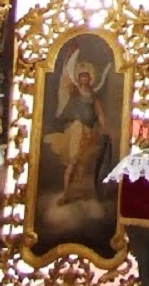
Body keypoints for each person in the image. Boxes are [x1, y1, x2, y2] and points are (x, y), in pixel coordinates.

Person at [46, 48, 112, 206]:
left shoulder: (93, 97)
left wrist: (104, 129)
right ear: (78, 78)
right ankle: (66, 194)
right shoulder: (73, 92)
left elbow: (100, 114)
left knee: (84, 165)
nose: (84, 78)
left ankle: (81, 193)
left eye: (86, 76)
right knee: (73, 161)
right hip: (75, 131)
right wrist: (69, 57)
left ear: (90, 78)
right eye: (81, 76)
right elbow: (66, 78)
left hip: (88, 134)